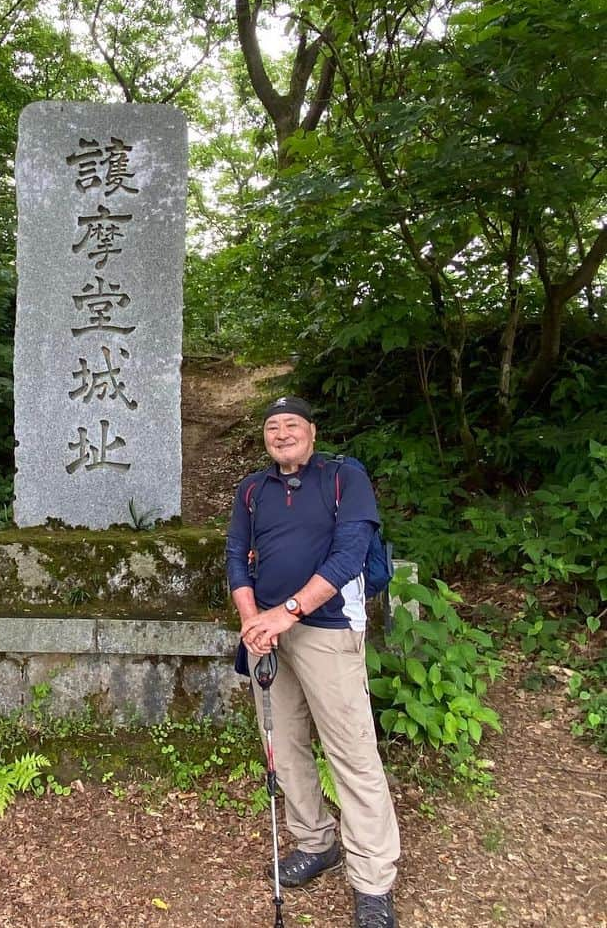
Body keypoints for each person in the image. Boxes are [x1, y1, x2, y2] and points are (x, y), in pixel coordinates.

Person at [226, 395, 400, 928]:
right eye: (272, 427)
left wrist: (287, 613)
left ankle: (373, 880)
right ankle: (315, 840)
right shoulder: (252, 490)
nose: (281, 434)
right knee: (285, 747)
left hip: (327, 630)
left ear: (312, 431)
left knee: (352, 751)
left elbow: (350, 554)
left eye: (291, 425)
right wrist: (253, 618)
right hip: (267, 636)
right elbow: (236, 555)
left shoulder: (344, 477)